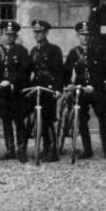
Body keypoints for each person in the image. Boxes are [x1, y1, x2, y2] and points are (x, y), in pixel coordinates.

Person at [63, 21, 106, 160]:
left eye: (87, 35)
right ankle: (87, 149)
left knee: (104, 117)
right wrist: (69, 84)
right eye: (82, 35)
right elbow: (66, 72)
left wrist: (94, 85)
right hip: (81, 90)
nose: (85, 37)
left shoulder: (98, 51)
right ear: (78, 36)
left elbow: (104, 71)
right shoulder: (74, 53)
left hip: (96, 89)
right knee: (81, 118)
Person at [0, 21, 32, 162]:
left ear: (15, 36)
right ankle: (10, 149)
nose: (9, 37)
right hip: (3, 93)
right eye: (6, 34)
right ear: (2, 34)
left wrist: (12, 81)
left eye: (12, 35)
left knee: (19, 121)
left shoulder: (22, 51)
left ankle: (21, 150)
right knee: (6, 121)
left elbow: (24, 71)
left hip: (18, 93)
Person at [29, 19, 63, 162]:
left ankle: (53, 151)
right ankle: (45, 147)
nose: (37, 35)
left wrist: (57, 89)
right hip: (37, 89)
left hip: (49, 89)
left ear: (46, 33)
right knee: (40, 119)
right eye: (35, 32)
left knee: (48, 120)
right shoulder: (33, 50)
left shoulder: (54, 50)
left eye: (40, 32)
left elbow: (59, 72)